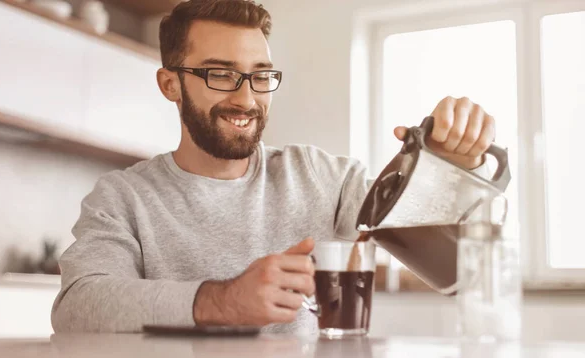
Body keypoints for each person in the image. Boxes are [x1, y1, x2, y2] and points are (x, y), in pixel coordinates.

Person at [51, 0, 496, 334]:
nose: (246, 99)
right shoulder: (122, 198)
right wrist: (220, 301)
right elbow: (77, 306)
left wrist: (452, 166)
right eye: (220, 74)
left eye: (260, 75)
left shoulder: (321, 177)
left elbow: (454, 261)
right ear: (171, 84)